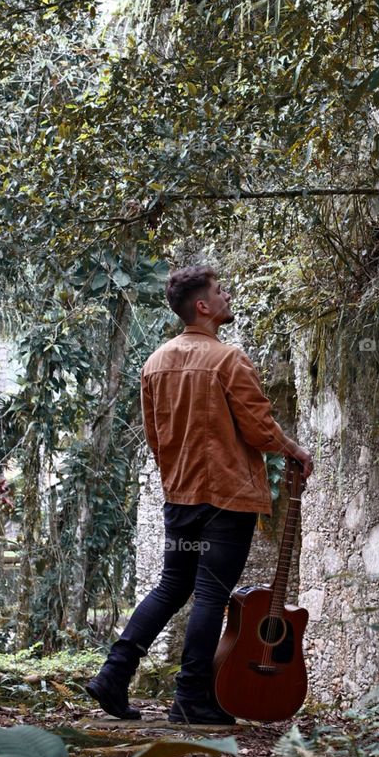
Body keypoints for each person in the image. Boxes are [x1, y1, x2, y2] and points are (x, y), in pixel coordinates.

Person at [85, 265, 313, 728]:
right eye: (219, 291)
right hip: (227, 496)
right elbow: (258, 426)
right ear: (203, 306)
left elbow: (156, 435)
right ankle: (190, 697)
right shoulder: (228, 360)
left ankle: (113, 674)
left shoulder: (155, 363)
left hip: (181, 495)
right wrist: (294, 450)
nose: (227, 296)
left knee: (172, 587)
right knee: (211, 593)